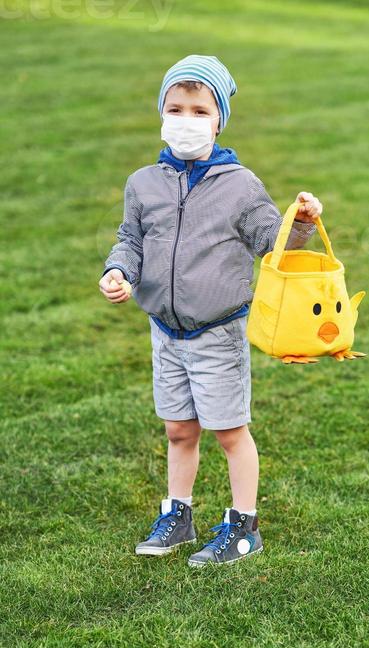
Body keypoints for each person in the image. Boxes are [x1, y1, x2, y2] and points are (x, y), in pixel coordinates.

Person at [99, 54, 322, 567]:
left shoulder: (240, 185)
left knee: (228, 431)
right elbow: (131, 239)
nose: (187, 120)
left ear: (219, 118)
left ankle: (244, 528)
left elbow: (274, 242)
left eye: (200, 111)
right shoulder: (144, 183)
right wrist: (120, 271)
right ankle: (178, 514)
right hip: (165, 331)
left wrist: (303, 222)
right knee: (178, 428)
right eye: (176, 108)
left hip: (217, 332)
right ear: (161, 112)